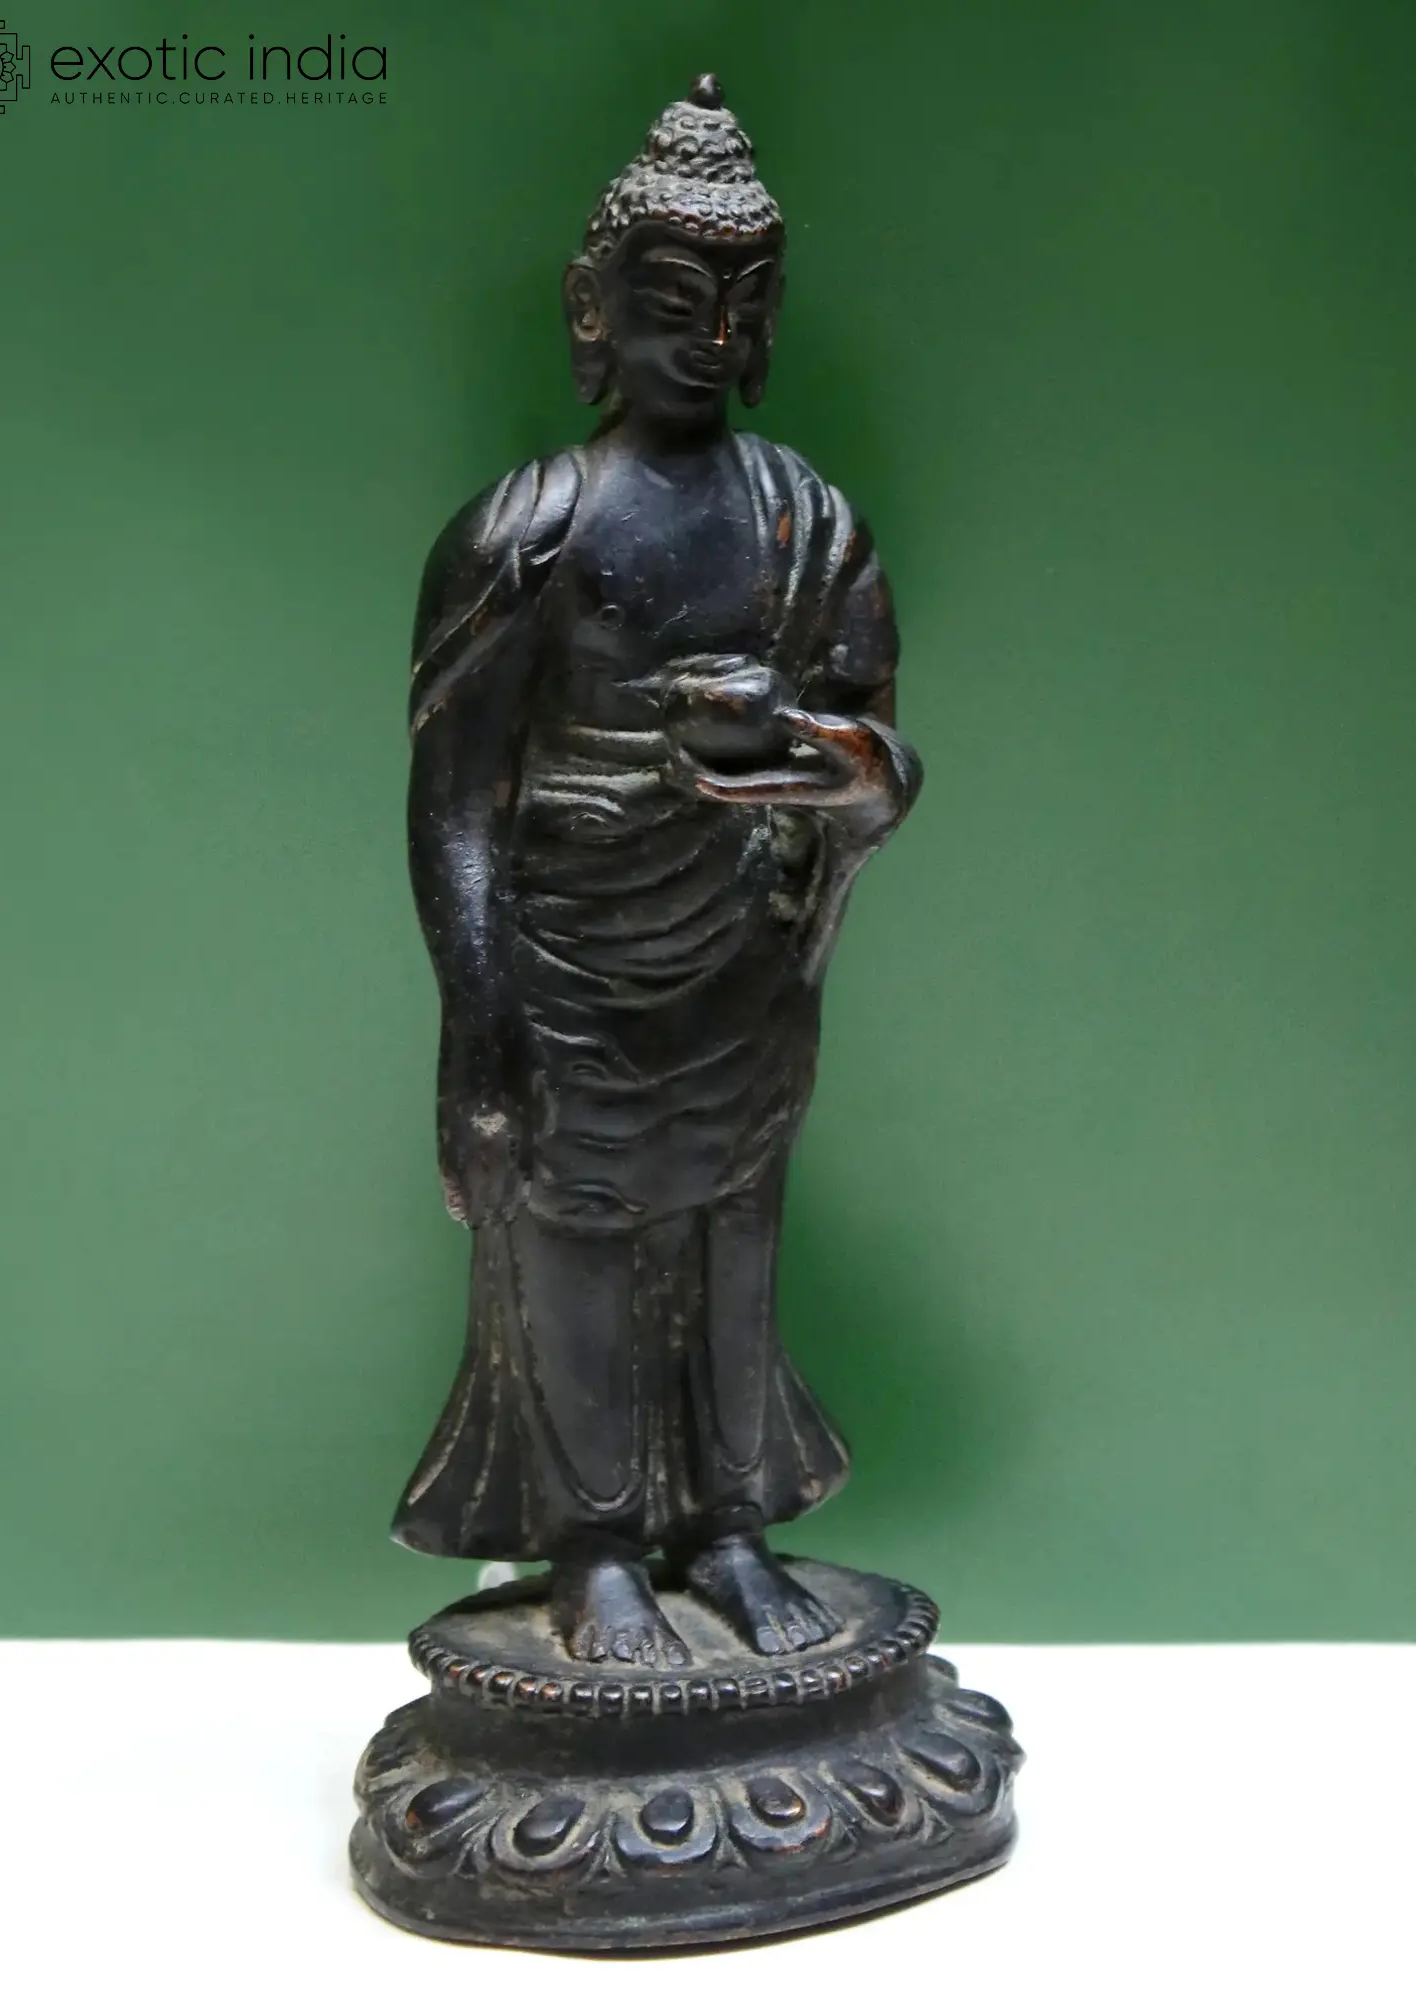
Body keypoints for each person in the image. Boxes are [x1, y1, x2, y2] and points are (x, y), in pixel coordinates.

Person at [391, 76, 921, 1669]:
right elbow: (456, 806)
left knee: (735, 1236)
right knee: (576, 1236)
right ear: (594, 305)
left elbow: (882, 763)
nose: (711, 336)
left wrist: (806, 754)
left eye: (742, 304)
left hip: (744, 965)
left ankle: (734, 1528)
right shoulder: (527, 532)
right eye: (674, 300)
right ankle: (599, 1545)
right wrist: (477, 1020)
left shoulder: (806, 523)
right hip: (566, 965)